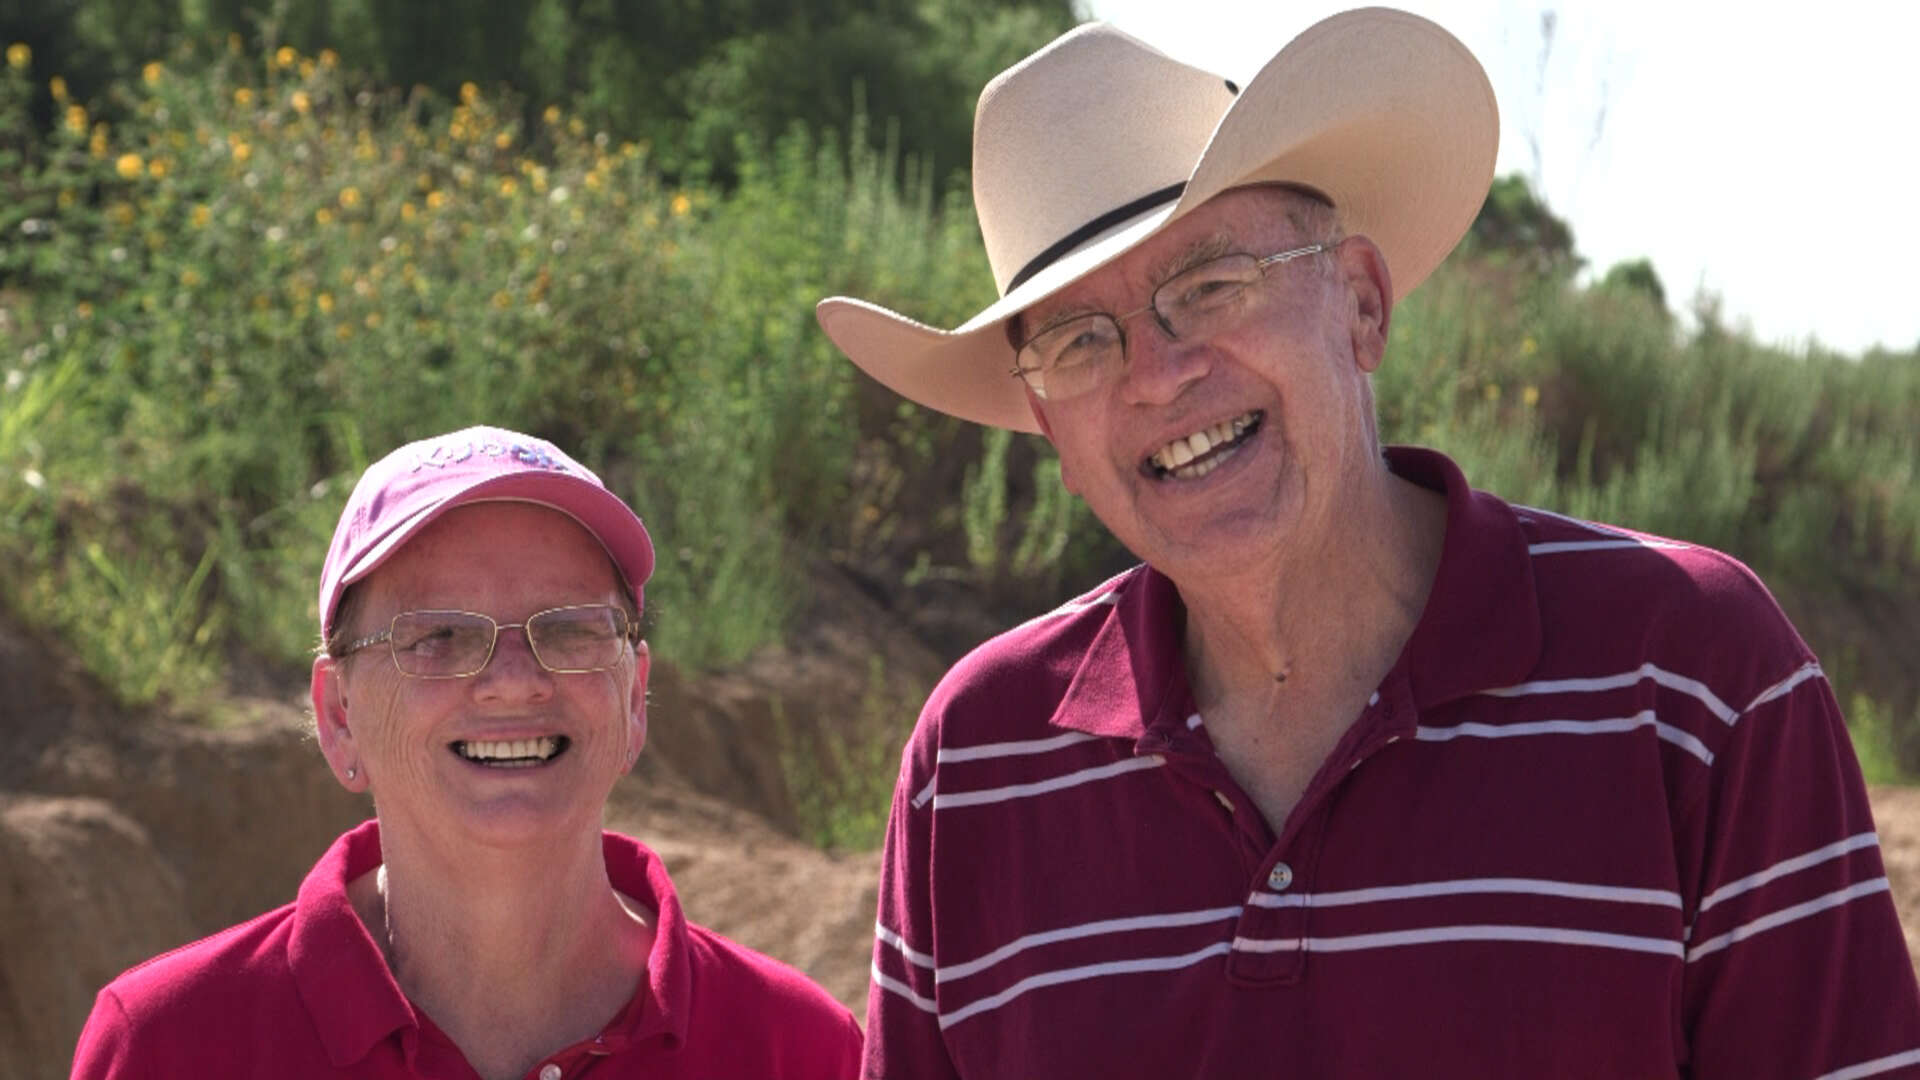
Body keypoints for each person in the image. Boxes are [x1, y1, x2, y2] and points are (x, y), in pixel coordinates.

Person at [815, 11, 1920, 1078]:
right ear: (1049, 426)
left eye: (1207, 286)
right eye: (1077, 341)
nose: (1156, 375)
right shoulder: (972, 768)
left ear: (1360, 304)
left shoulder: (1693, 676)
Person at [71, 426, 862, 1079]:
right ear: (339, 715)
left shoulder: (800, 1050)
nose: (512, 682)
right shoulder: (168, 1046)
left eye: (569, 629)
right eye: (439, 636)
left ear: (631, 697)